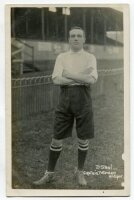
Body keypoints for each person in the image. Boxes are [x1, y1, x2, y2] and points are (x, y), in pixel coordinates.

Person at [33, 26, 98, 186]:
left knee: (83, 138)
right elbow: (56, 80)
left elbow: (91, 80)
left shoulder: (90, 57)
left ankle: (80, 172)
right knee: (56, 139)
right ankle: (49, 174)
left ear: (84, 39)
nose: (75, 38)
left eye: (79, 36)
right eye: (72, 36)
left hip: (83, 100)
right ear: (69, 39)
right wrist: (80, 76)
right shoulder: (62, 57)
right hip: (65, 99)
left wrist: (68, 74)